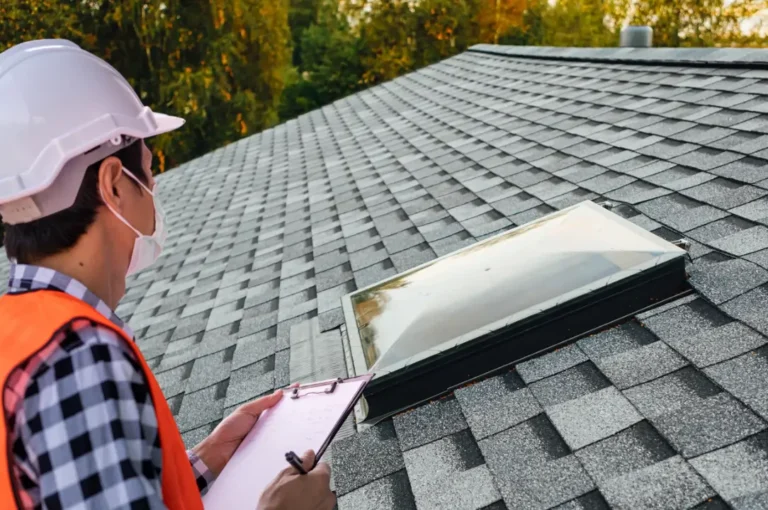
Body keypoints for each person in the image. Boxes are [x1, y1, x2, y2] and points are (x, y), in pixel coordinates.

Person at [0, 40, 336, 510]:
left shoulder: (18, 336)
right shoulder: (79, 358)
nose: (154, 188)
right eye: (148, 172)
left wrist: (206, 460)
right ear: (114, 185)